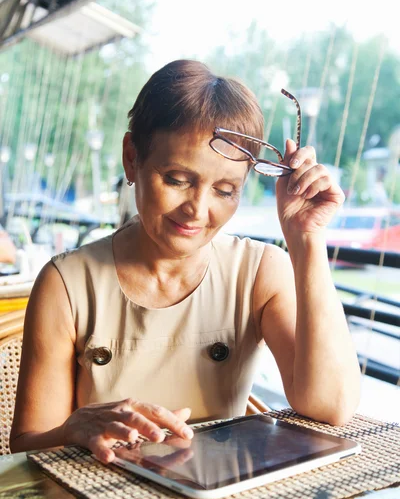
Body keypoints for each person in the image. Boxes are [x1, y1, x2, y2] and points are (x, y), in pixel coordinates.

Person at [10, 60, 361, 464]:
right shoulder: (67, 283)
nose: (197, 209)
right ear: (131, 158)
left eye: (225, 190)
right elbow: (26, 445)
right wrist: (75, 428)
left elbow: (331, 406)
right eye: (177, 180)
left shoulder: (259, 272)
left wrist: (306, 239)